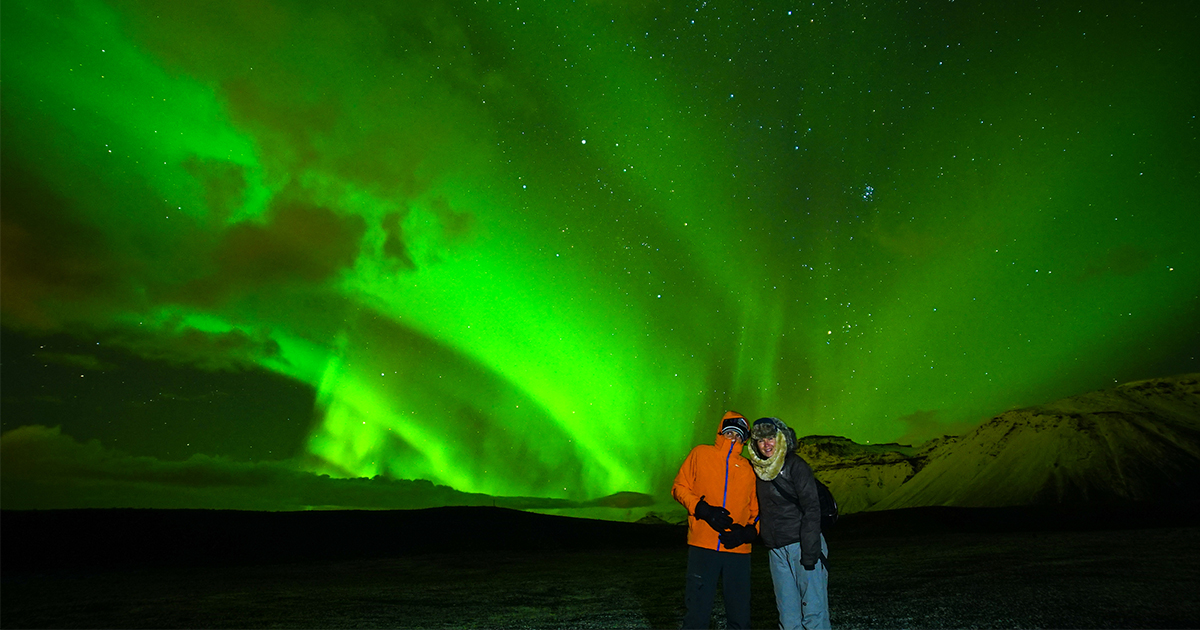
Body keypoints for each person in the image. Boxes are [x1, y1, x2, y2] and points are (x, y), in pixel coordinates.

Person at [671, 411, 760, 629]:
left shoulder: (749, 469)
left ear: (745, 440)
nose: (733, 438)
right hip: (703, 545)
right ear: (721, 431)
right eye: (730, 432)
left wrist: (747, 533)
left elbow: (757, 511)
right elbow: (679, 487)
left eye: (739, 436)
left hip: (738, 551)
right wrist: (703, 509)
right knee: (697, 612)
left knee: (740, 613)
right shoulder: (700, 454)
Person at [746, 417, 829, 630]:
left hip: (803, 546)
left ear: (781, 438)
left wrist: (810, 551)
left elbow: (812, 508)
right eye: (761, 440)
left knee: (813, 612)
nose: (766, 444)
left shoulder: (796, 465)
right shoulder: (757, 470)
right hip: (776, 550)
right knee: (788, 616)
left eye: (771, 438)